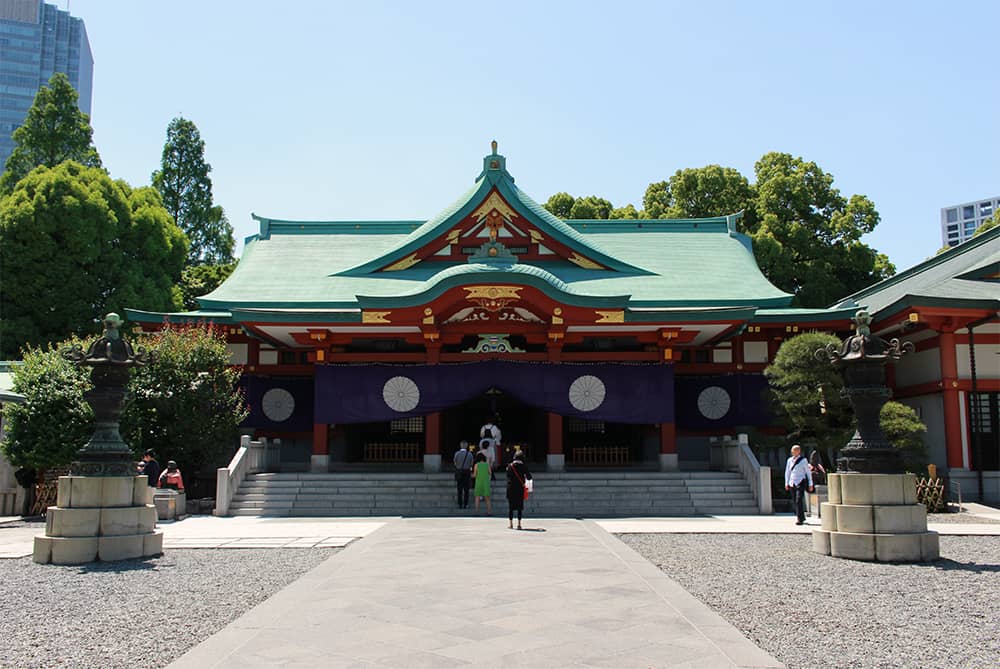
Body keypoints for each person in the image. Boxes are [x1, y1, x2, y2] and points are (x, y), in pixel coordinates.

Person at [785, 444, 814, 525]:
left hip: (800, 481)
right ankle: (800, 516)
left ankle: (799, 519)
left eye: (795, 450)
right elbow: (787, 472)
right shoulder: (789, 460)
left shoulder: (803, 460)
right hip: (792, 482)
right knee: (795, 500)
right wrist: (786, 483)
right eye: (792, 451)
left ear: (799, 451)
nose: (793, 452)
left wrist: (810, 483)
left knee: (799, 500)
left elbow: (808, 472)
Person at [506, 449, 532, 530]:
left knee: (511, 506)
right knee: (519, 506)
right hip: (520, 488)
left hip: (510, 488)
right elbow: (529, 477)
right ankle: (519, 524)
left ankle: (510, 524)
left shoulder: (510, 466)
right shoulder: (523, 466)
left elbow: (508, 476)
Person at [453, 440, 474, 508]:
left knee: (459, 489)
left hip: (459, 471)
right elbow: (471, 464)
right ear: (467, 446)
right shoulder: (470, 454)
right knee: (466, 489)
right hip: (467, 471)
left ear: (460, 445)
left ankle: (459, 504)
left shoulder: (457, 453)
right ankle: (466, 504)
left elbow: (455, 462)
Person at [472, 451, 492, 515]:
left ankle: (477, 511)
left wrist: (472, 475)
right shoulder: (487, 464)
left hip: (478, 482)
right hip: (486, 482)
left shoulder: (476, 465)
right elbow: (490, 473)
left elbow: (474, 475)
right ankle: (489, 511)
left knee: (477, 497)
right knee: (487, 498)